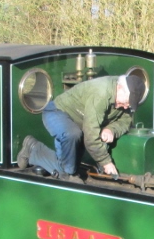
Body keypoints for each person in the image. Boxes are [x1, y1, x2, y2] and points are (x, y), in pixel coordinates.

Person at [18, 73, 146, 178]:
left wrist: (111, 129)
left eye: (129, 105)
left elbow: (125, 121)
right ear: (120, 88)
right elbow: (90, 136)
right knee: (69, 166)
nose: (125, 107)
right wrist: (105, 162)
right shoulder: (101, 93)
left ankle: (39, 153)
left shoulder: (125, 99)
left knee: (70, 166)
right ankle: (34, 148)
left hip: (78, 124)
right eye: (126, 102)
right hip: (57, 113)